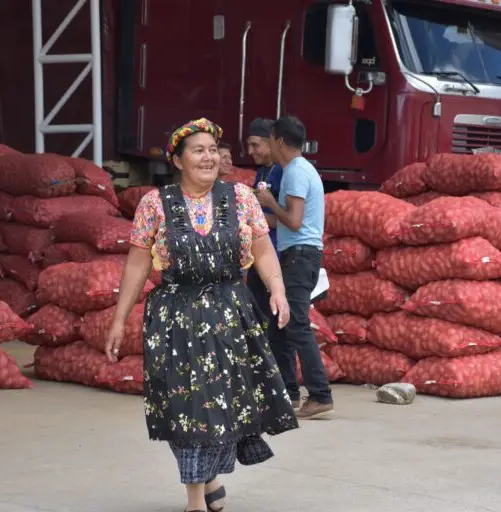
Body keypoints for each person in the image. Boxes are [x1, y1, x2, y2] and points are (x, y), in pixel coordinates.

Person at [105, 118, 298, 512]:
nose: (209, 157)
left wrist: (277, 288)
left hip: (229, 315)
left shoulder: (242, 198)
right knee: (187, 408)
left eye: (213, 150)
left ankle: (208, 477)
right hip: (176, 320)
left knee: (220, 407)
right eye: (198, 150)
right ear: (177, 160)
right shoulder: (154, 205)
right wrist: (119, 318)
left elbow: (262, 250)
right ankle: (196, 500)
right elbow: (137, 265)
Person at [253, 115, 334, 420]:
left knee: (297, 323)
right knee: (280, 324)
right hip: (296, 253)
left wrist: (268, 201)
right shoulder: (299, 170)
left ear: (280, 142)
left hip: (300, 257)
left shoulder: (295, 172)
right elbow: (288, 223)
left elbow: (294, 220)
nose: (269, 147)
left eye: (270, 140)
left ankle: (320, 394)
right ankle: (286, 392)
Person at [246, 118, 284, 353]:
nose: (250, 151)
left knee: (271, 316)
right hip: (256, 254)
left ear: (271, 143)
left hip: (276, 254)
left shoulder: (282, 172)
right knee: (255, 312)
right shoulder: (261, 172)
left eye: (255, 145)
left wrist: (258, 222)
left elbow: (289, 219)